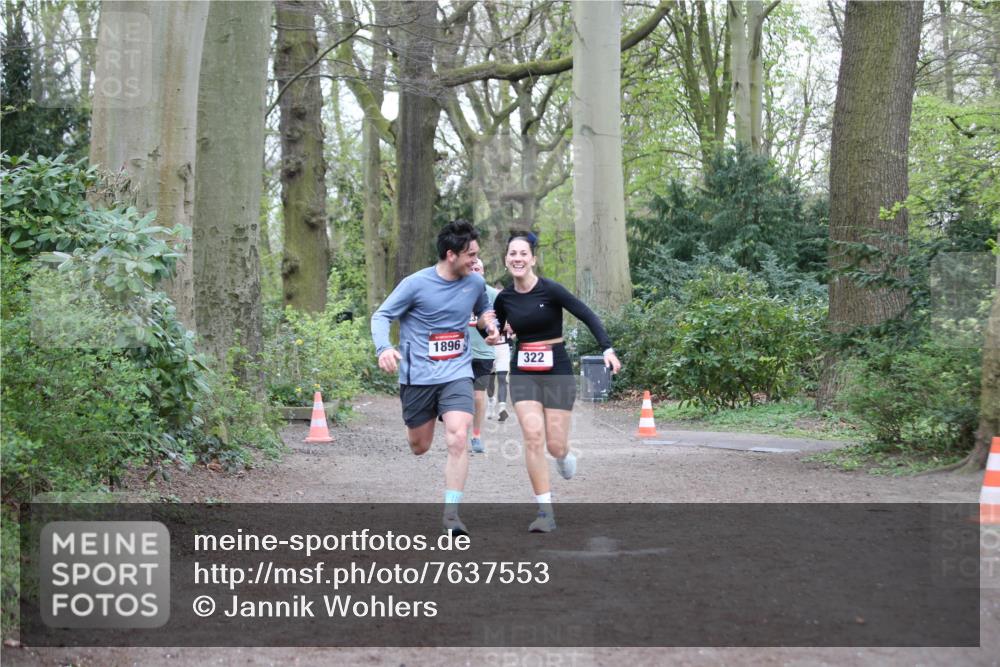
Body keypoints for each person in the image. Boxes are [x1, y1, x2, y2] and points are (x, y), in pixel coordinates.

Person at [371, 220, 499, 536]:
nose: (476, 261)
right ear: (450, 254)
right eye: (471, 255)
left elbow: (483, 315)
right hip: (418, 376)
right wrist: (384, 347)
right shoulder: (415, 284)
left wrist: (490, 329)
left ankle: (452, 515)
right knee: (420, 445)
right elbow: (381, 315)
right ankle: (416, 428)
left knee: (458, 436)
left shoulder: (475, 284)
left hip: (457, 372)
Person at [493, 231, 621, 533]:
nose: (518, 258)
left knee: (555, 443)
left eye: (523, 253)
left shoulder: (551, 290)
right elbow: (499, 329)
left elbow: (587, 315)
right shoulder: (504, 299)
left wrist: (607, 348)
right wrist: (496, 335)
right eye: (513, 253)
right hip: (523, 372)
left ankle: (564, 457)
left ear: (533, 259)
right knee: (533, 437)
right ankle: (545, 512)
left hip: (557, 371)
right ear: (506, 260)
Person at [468, 258, 497, 453]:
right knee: (458, 396)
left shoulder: (493, 294)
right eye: (471, 268)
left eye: (478, 268)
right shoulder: (457, 291)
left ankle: (476, 435)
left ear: (483, 272)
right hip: (459, 352)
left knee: (478, 397)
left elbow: (503, 319)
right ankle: (458, 431)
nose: (475, 271)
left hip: (483, 354)